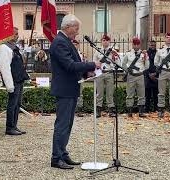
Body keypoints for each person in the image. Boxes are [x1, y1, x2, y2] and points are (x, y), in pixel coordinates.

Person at [49, 14, 100, 169]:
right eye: (76, 28)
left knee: (68, 124)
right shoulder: (59, 42)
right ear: (68, 26)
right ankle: (56, 158)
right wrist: (92, 65)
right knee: (62, 124)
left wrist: (86, 73)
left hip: (70, 88)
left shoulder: (66, 41)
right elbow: (69, 65)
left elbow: (75, 64)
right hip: (64, 89)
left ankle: (63, 154)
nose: (77, 32)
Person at [0, 27, 30, 136]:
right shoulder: (4, 47)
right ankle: (9, 127)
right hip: (13, 81)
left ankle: (14, 125)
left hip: (19, 79)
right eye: (15, 34)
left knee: (17, 104)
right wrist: (9, 84)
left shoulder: (14, 47)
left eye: (17, 34)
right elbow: (5, 67)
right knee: (12, 104)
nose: (17, 36)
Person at [122, 37, 149, 117]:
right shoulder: (128, 53)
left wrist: (144, 62)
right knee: (130, 94)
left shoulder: (143, 54)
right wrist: (127, 71)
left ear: (139, 45)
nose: (136, 46)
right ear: (132, 44)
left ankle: (141, 112)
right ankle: (129, 112)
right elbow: (123, 64)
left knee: (141, 94)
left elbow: (147, 66)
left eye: (138, 44)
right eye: (135, 44)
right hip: (131, 76)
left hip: (140, 75)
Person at [93, 34, 117, 118]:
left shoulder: (113, 51)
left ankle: (111, 110)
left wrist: (114, 56)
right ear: (101, 41)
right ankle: (98, 111)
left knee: (110, 92)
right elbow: (94, 62)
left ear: (109, 41)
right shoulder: (97, 51)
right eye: (103, 40)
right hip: (100, 73)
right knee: (99, 93)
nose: (105, 42)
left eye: (107, 40)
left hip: (109, 73)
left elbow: (117, 62)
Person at [145, 40, 158, 112]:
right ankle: (147, 109)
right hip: (147, 76)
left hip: (156, 76)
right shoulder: (145, 53)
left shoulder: (158, 53)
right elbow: (143, 65)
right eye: (151, 45)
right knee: (147, 95)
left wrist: (155, 74)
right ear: (148, 45)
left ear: (155, 46)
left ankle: (156, 109)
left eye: (153, 45)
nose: (152, 46)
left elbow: (160, 64)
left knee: (156, 95)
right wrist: (149, 74)